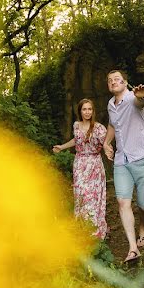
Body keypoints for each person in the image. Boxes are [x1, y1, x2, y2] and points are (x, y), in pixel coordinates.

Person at [103, 70, 144, 263]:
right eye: (110, 80)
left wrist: (142, 96)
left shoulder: (133, 99)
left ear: (125, 83)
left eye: (117, 79)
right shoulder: (110, 105)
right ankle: (133, 248)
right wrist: (107, 143)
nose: (113, 82)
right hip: (121, 162)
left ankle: (143, 228)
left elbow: (141, 101)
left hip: (142, 158)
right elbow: (112, 125)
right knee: (123, 203)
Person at [53, 99, 108, 240]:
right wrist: (62, 147)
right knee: (81, 195)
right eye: (84, 109)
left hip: (94, 165)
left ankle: (95, 232)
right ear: (80, 111)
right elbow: (76, 140)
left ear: (93, 111)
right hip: (79, 164)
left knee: (93, 197)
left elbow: (106, 143)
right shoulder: (76, 125)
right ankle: (82, 229)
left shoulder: (99, 128)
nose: (87, 112)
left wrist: (109, 151)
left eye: (90, 109)